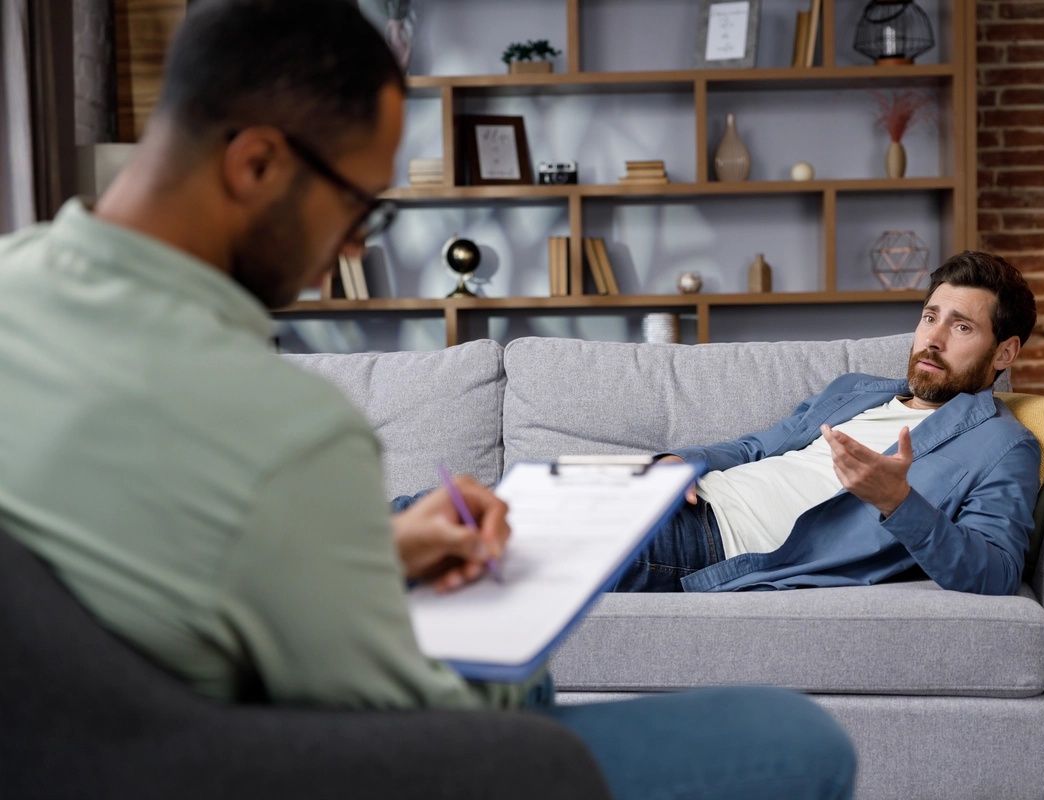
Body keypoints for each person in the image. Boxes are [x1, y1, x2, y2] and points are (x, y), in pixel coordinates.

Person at [0, 1, 855, 798]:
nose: (352, 243)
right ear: (256, 162)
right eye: (359, 208)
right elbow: (435, 723)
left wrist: (370, 549)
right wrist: (511, 606)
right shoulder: (285, 433)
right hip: (291, 763)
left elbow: (163, 531)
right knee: (798, 737)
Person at [613, 251, 1040, 597]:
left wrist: (899, 502)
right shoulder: (857, 390)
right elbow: (754, 448)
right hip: (679, 498)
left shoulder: (1002, 444)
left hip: (712, 541)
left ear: (1005, 353)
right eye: (930, 317)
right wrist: (681, 459)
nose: (933, 338)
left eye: (961, 326)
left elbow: (997, 571)